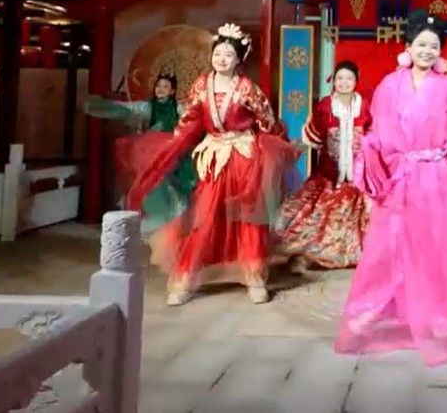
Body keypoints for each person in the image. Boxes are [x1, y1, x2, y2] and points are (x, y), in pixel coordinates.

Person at [334, 11, 447, 367]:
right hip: (403, 179)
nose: (427, 51)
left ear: (440, 52)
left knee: (440, 251)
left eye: (433, 46)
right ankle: (383, 320)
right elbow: (380, 131)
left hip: (441, 180)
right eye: (421, 44)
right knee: (389, 251)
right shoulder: (390, 85)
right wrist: (371, 152)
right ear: (408, 46)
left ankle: (441, 323)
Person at [124, 23, 299, 306]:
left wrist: (278, 142)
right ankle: (186, 277)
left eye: (229, 55)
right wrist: (174, 143)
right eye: (218, 53)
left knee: (247, 216)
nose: (222, 59)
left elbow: (267, 119)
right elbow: (190, 119)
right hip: (214, 155)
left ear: (238, 59)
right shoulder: (201, 85)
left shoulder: (247, 88)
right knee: (204, 215)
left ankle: (254, 276)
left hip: (243, 155)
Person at [274, 60, 373, 271]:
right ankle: (306, 256)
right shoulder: (326, 105)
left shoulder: (364, 105)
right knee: (316, 214)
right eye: (340, 78)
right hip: (329, 172)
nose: (344, 82)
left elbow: (372, 132)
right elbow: (315, 136)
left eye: (349, 78)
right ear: (333, 81)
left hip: (358, 173)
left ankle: (353, 254)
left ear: (356, 81)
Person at [85, 74, 193, 235]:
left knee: (173, 182)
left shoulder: (179, 108)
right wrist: (100, 106)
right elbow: (127, 108)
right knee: (148, 180)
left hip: (172, 151)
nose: (160, 89)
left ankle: (172, 221)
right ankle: (152, 218)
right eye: (158, 86)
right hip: (150, 152)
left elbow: (193, 118)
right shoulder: (148, 106)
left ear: (172, 91)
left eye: (165, 87)